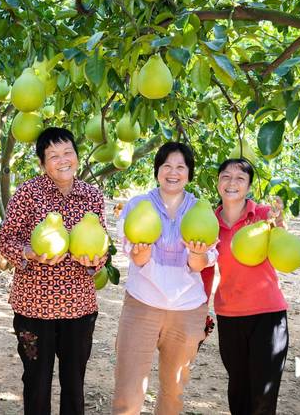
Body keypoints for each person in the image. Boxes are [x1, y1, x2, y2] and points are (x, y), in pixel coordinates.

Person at [0, 127, 107, 415]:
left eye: (67, 152)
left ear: (77, 156)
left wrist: (95, 261)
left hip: (79, 307)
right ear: (42, 163)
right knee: (37, 382)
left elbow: (102, 244)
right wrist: (28, 253)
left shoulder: (91, 197)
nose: (62, 160)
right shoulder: (28, 194)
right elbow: (6, 240)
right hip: (34, 308)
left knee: (74, 383)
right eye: (53, 155)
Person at [112, 141, 217, 415]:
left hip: (187, 309)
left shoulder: (200, 211)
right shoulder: (137, 205)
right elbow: (135, 257)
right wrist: (141, 253)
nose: (173, 172)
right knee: (129, 389)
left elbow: (200, 264)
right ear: (157, 170)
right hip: (142, 305)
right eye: (167, 165)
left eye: (180, 167)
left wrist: (197, 254)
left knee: (174, 391)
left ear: (189, 173)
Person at [205, 158, 288, 415]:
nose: (232, 182)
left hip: (268, 315)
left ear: (249, 185)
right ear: (217, 182)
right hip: (229, 315)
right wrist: (200, 312)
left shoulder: (263, 215)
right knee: (238, 391)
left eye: (240, 178)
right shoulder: (209, 222)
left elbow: (283, 250)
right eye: (226, 176)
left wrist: (279, 224)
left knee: (263, 394)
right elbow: (206, 272)